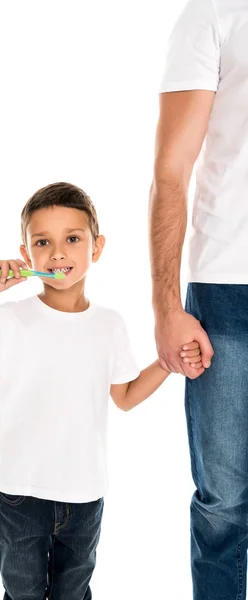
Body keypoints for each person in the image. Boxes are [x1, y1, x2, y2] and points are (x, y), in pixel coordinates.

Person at [0, 182, 202, 600]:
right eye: (42, 242)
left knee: (74, 594)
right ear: (25, 255)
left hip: (85, 498)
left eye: (72, 239)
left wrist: (168, 363)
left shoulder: (109, 325)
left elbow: (124, 396)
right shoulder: (7, 320)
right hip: (19, 497)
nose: (57, 253)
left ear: (97, 247)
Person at [149, 0, 248, 598]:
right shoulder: (214, 11)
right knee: (224, 508)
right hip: (228, 292)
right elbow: (170, 169)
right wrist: (165, 305)